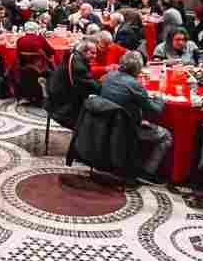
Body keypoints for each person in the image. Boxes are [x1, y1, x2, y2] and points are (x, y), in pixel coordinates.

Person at [98, 51, 172, 183]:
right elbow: (156, 111)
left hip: (104, 123)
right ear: (138, 69)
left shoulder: (109, 75)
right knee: (165, 136)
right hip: (125, 129)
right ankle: (147, 173)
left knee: (144, 121)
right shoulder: (134, 85)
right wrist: (160, 96)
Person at [46, 40, 100, 129]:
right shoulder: (79, 67)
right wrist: (102, 83)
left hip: (55, 98)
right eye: (92, 53)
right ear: (84, 52)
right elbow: (94, 88)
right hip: (62, 107)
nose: (95, 56)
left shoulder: (72, 55)